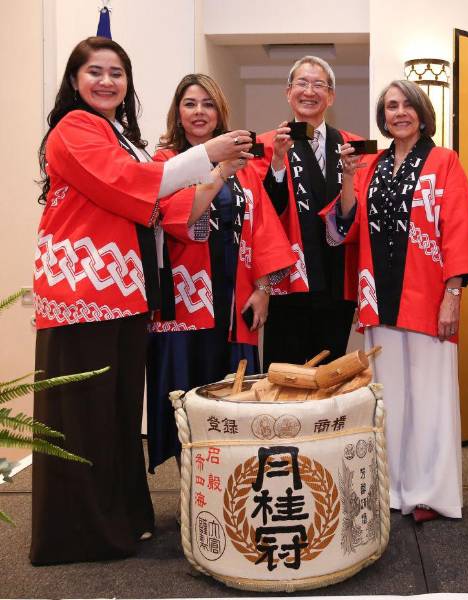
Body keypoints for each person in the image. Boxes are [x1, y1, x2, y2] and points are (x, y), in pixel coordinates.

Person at [30, 37, 253, 565]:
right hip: (83, 290)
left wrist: (215, 175)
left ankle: (122, 519)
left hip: (127, 292)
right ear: (74, 80)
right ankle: (79, 534)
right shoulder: (75, 128)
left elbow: (164, 209)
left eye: (117, 73)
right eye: (95, 71)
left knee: (117, 414)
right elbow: (132, 184)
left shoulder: (121, 136)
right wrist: (209, 156)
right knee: (85, 414)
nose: (107, 81)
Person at [326, 80, 468, 522]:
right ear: (382, 117)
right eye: (390, 106)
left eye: (407, 105)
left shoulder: (444, 161)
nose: (399, 112)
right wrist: (348, 176)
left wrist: (453, 295)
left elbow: (458, 229)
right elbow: (346, 225)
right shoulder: (371, 164)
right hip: (379, 296)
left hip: (428, 295)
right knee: (388, 398)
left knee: (431, 397)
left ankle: (432, 493)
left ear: (422, 112)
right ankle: (393, 487)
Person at [146, 74, 295, 472]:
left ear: (220, 112)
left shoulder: (243, 166)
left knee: (234, 396)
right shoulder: (166, 163)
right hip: (183, 297)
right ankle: (192, 485)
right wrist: (218, 172)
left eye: (208, 104)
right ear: (178, 112)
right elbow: (178, 218)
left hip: (234, 297)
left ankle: (230, 484)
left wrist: (263, 289)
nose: (199, 112)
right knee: (186, 396)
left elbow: (263, 227)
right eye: (190, 103)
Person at [251, 56, 360, 368]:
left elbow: (358, 215)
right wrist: (277, 162)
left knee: (329, 378)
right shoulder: (267, 144)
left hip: (337, 283)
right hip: (288, 282)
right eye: (301, 83)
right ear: (288, 92)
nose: (309, 91)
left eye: (318, 85)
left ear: (331, 96)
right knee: (283, 377)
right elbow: (263, 213)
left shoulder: (349, 145)